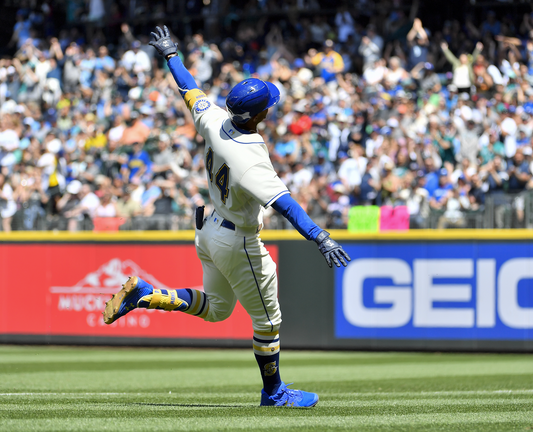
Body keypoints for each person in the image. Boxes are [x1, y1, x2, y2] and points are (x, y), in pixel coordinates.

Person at [102, 26, 351, 408]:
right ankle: (275, 393)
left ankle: (146, 294)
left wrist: (172, 55)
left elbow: (189, 90)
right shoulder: (248, 155)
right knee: (268, 323)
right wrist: (320, 236)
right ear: (257, 115)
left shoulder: (215, 119)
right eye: (268, 105)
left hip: (210, 229)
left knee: (217, 310)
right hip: (238, 240)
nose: (271, 107)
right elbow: (285, 204)